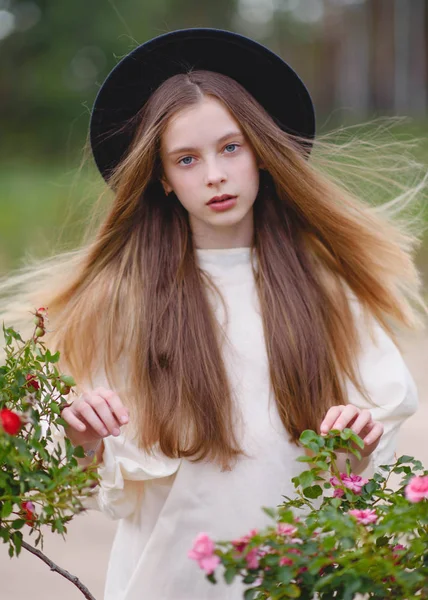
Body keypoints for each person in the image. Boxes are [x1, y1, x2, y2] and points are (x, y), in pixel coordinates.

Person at [1, 28, 427, 599]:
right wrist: (84, 435)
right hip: (168, 580)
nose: (215, 175)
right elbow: (99, 478)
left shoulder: (326, 285)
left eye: (231, 147)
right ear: (162, 178)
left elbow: (374, 437)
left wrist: (361, 437)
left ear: (261, 152)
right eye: (186, 159)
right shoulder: (127, 299)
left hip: (301, 577)